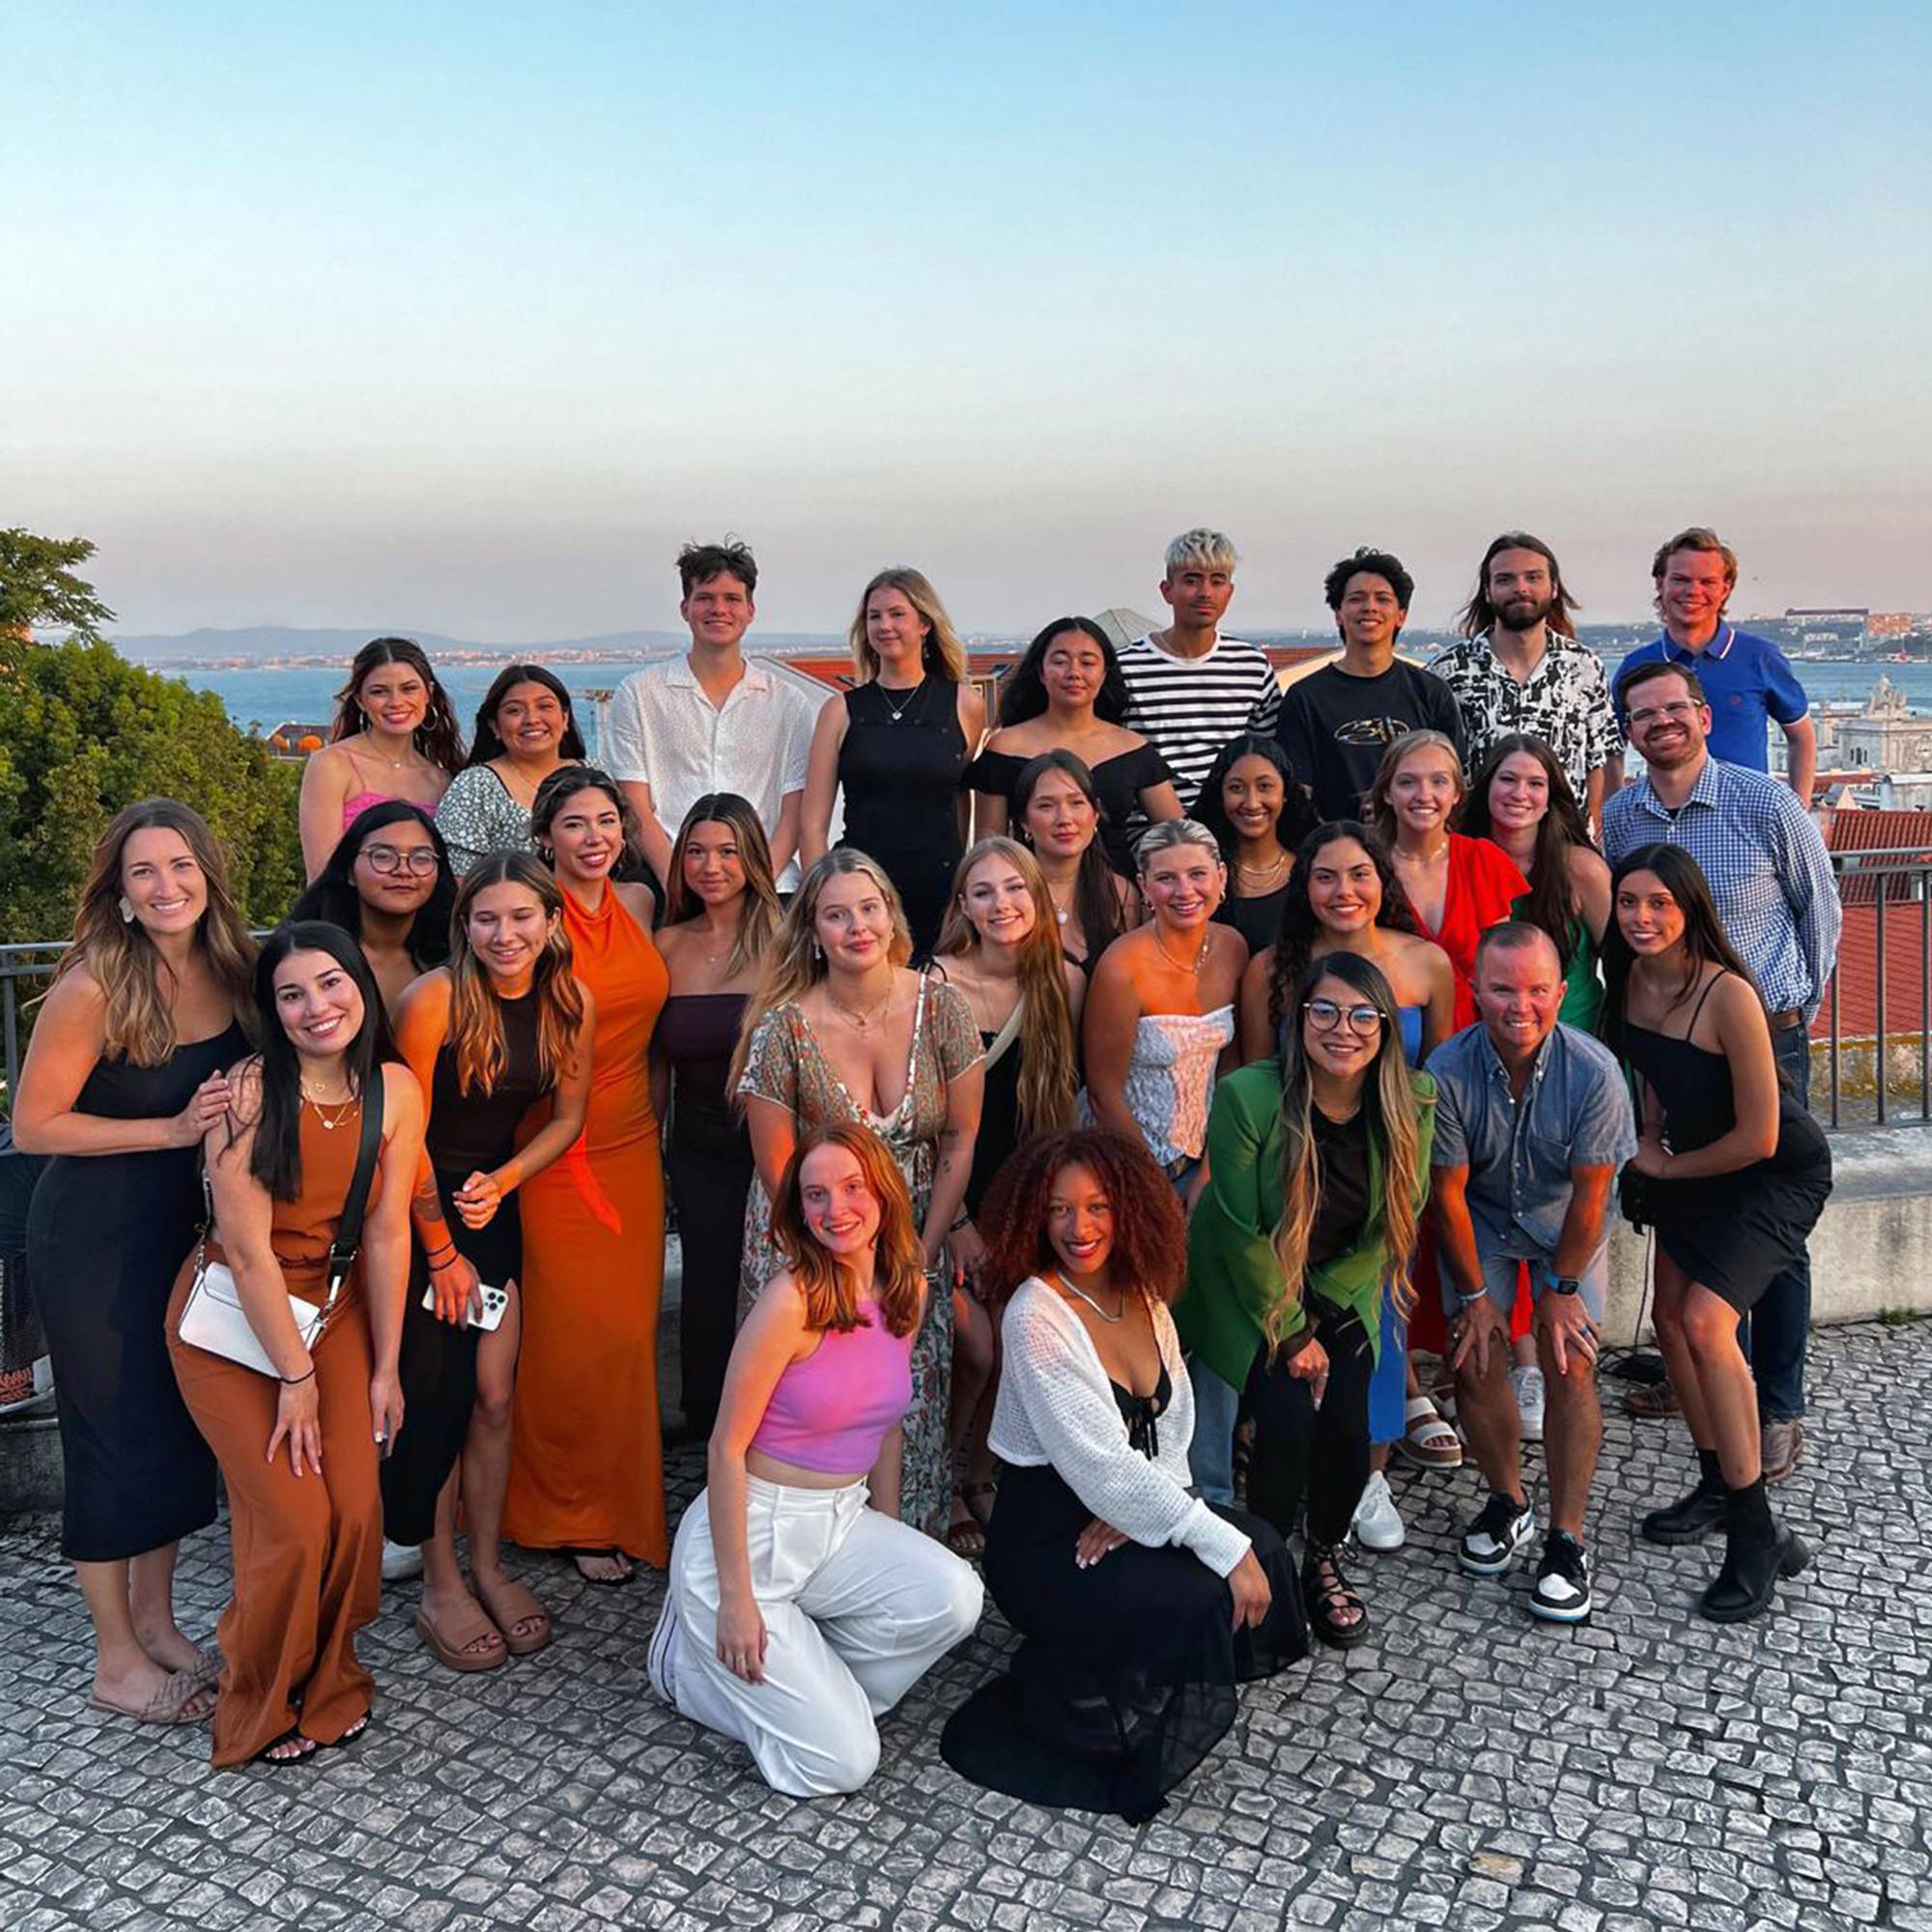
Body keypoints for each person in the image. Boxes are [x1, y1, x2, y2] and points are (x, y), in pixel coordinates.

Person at [939, 1127, 1306, 1825]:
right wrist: (1202, 1540)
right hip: (1049, 1540)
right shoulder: (1033, 1315)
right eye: (1058, 1210)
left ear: (1130, 1208)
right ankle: (1078, 1676)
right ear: (1032, 1217)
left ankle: (1134, 1657)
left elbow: (1175, 1429)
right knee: (1211, 1582)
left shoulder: (1142, 1293)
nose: (1079, 1228)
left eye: (1098, 1206)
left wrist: (1146, 1514)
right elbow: (1099, 1464)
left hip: (1117, 1509)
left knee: (1269, 1552)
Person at [646, 1125, 983, 1796]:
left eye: (853, 1188)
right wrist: (737, 1600)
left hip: (839, 1521)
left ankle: (808, 1691)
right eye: (816, 1195)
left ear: (883, 1193)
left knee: (955, 1597)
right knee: (844, 1762)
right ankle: (686, 1668)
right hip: (751, 1533)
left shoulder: (904, 1293)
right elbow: (725, 1447)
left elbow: (884, 1424)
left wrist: (888, 1529)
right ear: (798, 1210)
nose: (838, 1210)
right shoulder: (791, 1302)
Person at [15, 801, 255, 1727]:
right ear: (118, 891)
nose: (167, 887)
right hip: (95, 1242)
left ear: (208, 875)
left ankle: (157, 1626)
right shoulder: (95, 985)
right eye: (144, 872)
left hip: (184, 1236)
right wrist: (172, 1128)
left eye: (182, 866)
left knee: (168, 1429)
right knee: (111, 1437)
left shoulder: (232, 969)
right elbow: (35, 1125)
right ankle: (115, 1660)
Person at [165, 924, 425, 1764]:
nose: (317, 1007)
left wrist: (386, 1367)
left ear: (360, 987)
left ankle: (330, 1675)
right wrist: (297, 1376)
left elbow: (388, 1235)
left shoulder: (393, 1090)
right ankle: (259, 1690)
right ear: (272, 1013)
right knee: (293, 1520)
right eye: (292, 994)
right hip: (235, 1323)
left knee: (355, 1511)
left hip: (336, 1313)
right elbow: (244, 1253)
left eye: (331, 984)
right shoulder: (247, 1093)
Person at [1605, 660, 1840, 1481]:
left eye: (1675, 708)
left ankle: (1775, 1404)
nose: (1660, 722)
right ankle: (1704, 1369)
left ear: (1703, 716)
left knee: (1768, 1227)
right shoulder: (1621, 816)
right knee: (1689, 1208)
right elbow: (1628, 929)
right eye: (1642, 714)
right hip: (1669, 1041)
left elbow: (1822, 910)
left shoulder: (1764, 800)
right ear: (1628, 730)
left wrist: (1791, 1013)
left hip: (1762, 1030)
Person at [1601, 847, 1831, 1620]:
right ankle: (1715, 1481)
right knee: (1667, 1321)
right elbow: (1653, 1074)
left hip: (1769, 1174)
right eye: (1629, 902)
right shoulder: (1630, 981)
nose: (1641, 917)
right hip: (1696, 1162)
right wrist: (1652, 1135)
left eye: (1659, 903)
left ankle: (1756, 1530)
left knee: (1705, 1321)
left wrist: (1665, 1170)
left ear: (1692, 909)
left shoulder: (1728, 994)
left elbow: (1764, 1137)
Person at [730, 850, 984, 1540]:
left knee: (907, 1403)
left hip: (910, 1236)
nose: (856, 927)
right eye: (835, 914)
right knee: (817, 1401)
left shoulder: (941, 1006)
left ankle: (906, 1550)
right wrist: (835, 1261)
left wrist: (917, 1254)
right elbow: (777, 1167)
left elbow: (961, 1138)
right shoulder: (783, 1026)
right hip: (808, 1236)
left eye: (868, 908)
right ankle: (796, 1545)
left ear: (891, 915)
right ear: (812, 930)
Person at [1183, 955, 1435, 1648]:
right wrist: (1294, 1333)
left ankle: (1321, 1556)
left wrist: (1321, 1311)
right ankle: (1263, 1570)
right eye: (1324, 1011)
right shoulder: (1248, 1096)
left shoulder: (1412, 1101)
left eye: (1363, 1015)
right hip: (1248, 1287)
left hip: (1340, 1283)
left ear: (1385, 1029)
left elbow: (1397, 1219)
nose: (1342, 1029)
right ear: (1298, 1021)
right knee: (1288, 1422)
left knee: (1349, 1432)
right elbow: (1237, 1228)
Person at [384, 854, 594, 1667]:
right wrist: (439, 1250)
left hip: (489, 1210)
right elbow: (401, 1142)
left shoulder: (569, 1001)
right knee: (438, 1405)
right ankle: (440, 1583)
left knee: (496, 1398)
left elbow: (567, 1116)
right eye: (485, 919)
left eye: (519, 918)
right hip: (419, 1217)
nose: (503, 935)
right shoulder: (433, 1000)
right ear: (463, 925)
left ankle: (489, 1563)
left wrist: (505, 1181)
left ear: (550, 923)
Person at [1236, 820, 1456, 1534]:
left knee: (1379, 1320)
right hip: (1296, 1168)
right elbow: (1258, 1074)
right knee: (1290, 1319)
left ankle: (1369, 1476)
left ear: (1381, 881)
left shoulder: (1425, 962)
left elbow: (1440, 1079)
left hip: (1388, 1169)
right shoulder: (1272, 967)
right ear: (1304, 886)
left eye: (1359, 873)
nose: (1343, 891)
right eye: (1325, 876)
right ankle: (1291, 1461)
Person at [1428, 924, 1635, 1624]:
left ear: (1562, 991)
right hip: (1484, 1214)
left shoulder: (1595, 1073)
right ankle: (1508, 1499)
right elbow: (1449, 1195)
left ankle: (1567, 1537)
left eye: (1537, 990)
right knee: (1476, 1354)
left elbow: (1592, 1195)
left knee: (1570, 1361)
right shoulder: (1446, 1073)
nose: (1521, 1005)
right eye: (1503, 989)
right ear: (1475, 990)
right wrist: (1480, 1299)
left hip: (1566, 1225)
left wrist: (1563, 1291)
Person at [506, 772, 672, 1578]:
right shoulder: (530, 921)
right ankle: (565, 1513)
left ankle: (619, 1497)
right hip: (555, 1150)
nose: (595, 836)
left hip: (636, 1144)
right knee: (571, 1338)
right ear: (546, 838)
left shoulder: (640, 905)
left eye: (608, 820)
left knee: (630, 1336)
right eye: (575, 824)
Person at [931, 837, 1085, 1555]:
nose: (1002, 905)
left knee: (1017, 1343)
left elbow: (1061, 1110)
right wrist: (956, 1219)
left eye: (1015, 889)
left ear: (1038, 896)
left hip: (1020, 1196)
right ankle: (935, 1476)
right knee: (977, 1347)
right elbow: (923, 1119)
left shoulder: (1064, 981)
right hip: (944, 1198)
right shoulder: (934, 983)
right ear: (963, 905)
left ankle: (980, 1476)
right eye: (984, 892)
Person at [651, 793, 783, 1447]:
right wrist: (652, 1150)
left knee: (775, 1287)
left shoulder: (789, 938)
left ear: (752, 858)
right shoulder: (666, 944)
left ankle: (774, 1426)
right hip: (697, 1147)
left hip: (777, 1146)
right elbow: (654, 1065)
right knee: (707, 1285)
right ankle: (709, 1427)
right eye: (696, 851)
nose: (712, 866)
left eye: (728, 851)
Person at [604, 539, 818, 892]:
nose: (719, 609)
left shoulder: (788, 703)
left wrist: (756, 886)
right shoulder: (640, 693)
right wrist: (677, 882)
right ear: (685, 608)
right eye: (705, 598)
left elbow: (793, 812)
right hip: (668, 881)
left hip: (768, 883)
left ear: (750, 610)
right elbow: (634, 806)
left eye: (732, 599)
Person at [801, 568, 986, 957]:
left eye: (897, 614)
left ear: (924, 623)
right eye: (874, 616)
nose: (884, 625)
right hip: (861, 897)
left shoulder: (966, 705)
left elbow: (961, 801)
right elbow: (812, 824)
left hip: (940, 892)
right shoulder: (840, 711)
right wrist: (820, 902)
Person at [1082, 820, 1245, 1207]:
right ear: (1144, 886)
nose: (1185, 891)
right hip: (1130, 1164)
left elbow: (1231, 1069)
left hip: (1211, 1155)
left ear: (1221, 877)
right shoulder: (1122, 968)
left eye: (1198, 874)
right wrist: (1154, 1189)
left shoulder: (1233, 948)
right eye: (1167, 878)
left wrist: (1209, 1168)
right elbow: (1104, 1095)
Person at [964, 616, 1180, 875]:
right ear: (1042, 672)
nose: (1074, 673)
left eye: (1087, 662)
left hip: (1119, 899)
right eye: (1060, 661)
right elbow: (989, 849)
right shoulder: (1005, 746)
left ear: (1104, 674)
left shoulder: (1132, 748)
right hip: (1031, 898)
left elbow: (1180, 836)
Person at [1430, 533, 1619, 826]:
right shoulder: (1448, 671)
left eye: (1533, 577)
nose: (1521, 588)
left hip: (1562, 845)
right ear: (1488, 591)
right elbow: (1432, 764)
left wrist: (1594, 832)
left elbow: (1600, 759)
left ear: (1554, 587)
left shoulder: (1584, 667)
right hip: (1476, 843)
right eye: (1505, 580)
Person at [1611, 527, 1816, 797]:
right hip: (1661, 822)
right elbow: (1611, 749)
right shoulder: (1636, 666)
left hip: (1747, 823)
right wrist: (1611, 813)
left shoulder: (1760, 657)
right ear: (1660, 583)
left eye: (1707, 582)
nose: (1693, 591)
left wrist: (1798, 808)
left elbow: (1801, 737)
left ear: (1725, 588)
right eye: (1681, 580)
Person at [1276, 548, 1464, 823]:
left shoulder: (1431, 693)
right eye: (1356, 599)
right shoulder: (1305, 698)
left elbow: (1452, 782)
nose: (1370, 607)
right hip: (1336, 852)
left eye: (1383, 598)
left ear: (1401, 614)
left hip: (1415, 844)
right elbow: (1298, 793)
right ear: (1338, 614)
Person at [1115, 529, 1282, 822]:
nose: (1205, 592)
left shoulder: (1252, 666)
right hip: (1147, 833)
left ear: (1229, 591)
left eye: (1217, 581)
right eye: (1192, 580)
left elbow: (1267, 757)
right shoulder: (1126, 668)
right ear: (1167, 590)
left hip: (1236, 826)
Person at [1367, 731, 1527, 1030]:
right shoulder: (1367, 870)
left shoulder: (1482, 860)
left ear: (1456, 794)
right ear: (1387, 793)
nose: (1424, 795)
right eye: (1407, 782)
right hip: (1391, 1040)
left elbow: (1503, 970)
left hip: (1474, 1039)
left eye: (1438, 781)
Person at [1461, 735, 1610, 1036]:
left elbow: (1621, 965)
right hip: (1482, 1045)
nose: (1520, 793)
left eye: (1535, 784)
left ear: (1549, 798)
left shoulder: (1581, 868)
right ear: (1487, 787)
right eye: (1507, 779)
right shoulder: (1460, 861)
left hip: (1573, 1041)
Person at [298, 638, 465, 879]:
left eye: (409, 689)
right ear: (360, 700)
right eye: (379, 692)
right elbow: (320, 875)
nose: (396, 702)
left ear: (428, 693)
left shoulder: (441, 781)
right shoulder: (333, 765)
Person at [290, 802, 456, 1015]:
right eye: (383, 857)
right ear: (349, 870)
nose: (403, 871)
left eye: (421, 858)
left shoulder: (454, 958)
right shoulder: (311, 959)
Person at [435, 665, 587, 875]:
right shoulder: (476, 786)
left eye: (545, 706)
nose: (532, 719)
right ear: (495, 726)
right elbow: (461, 880)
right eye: (514, 710)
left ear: (565, 718)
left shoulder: (594, 774)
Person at [1009, 750, 1139, 971]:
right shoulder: (1005, 892)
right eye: (1046, 806)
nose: (1065, 819)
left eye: (1076, 803)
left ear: (1095, 814)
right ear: (1024, 821)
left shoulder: (1120, 893)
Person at [1193, 734, 1309, 955]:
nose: (1252, 803)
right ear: (1220, 795)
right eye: (1236, 788)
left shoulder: (1310, 871)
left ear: (1285, 793)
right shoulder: (1199, 877)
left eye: (1265, 787)